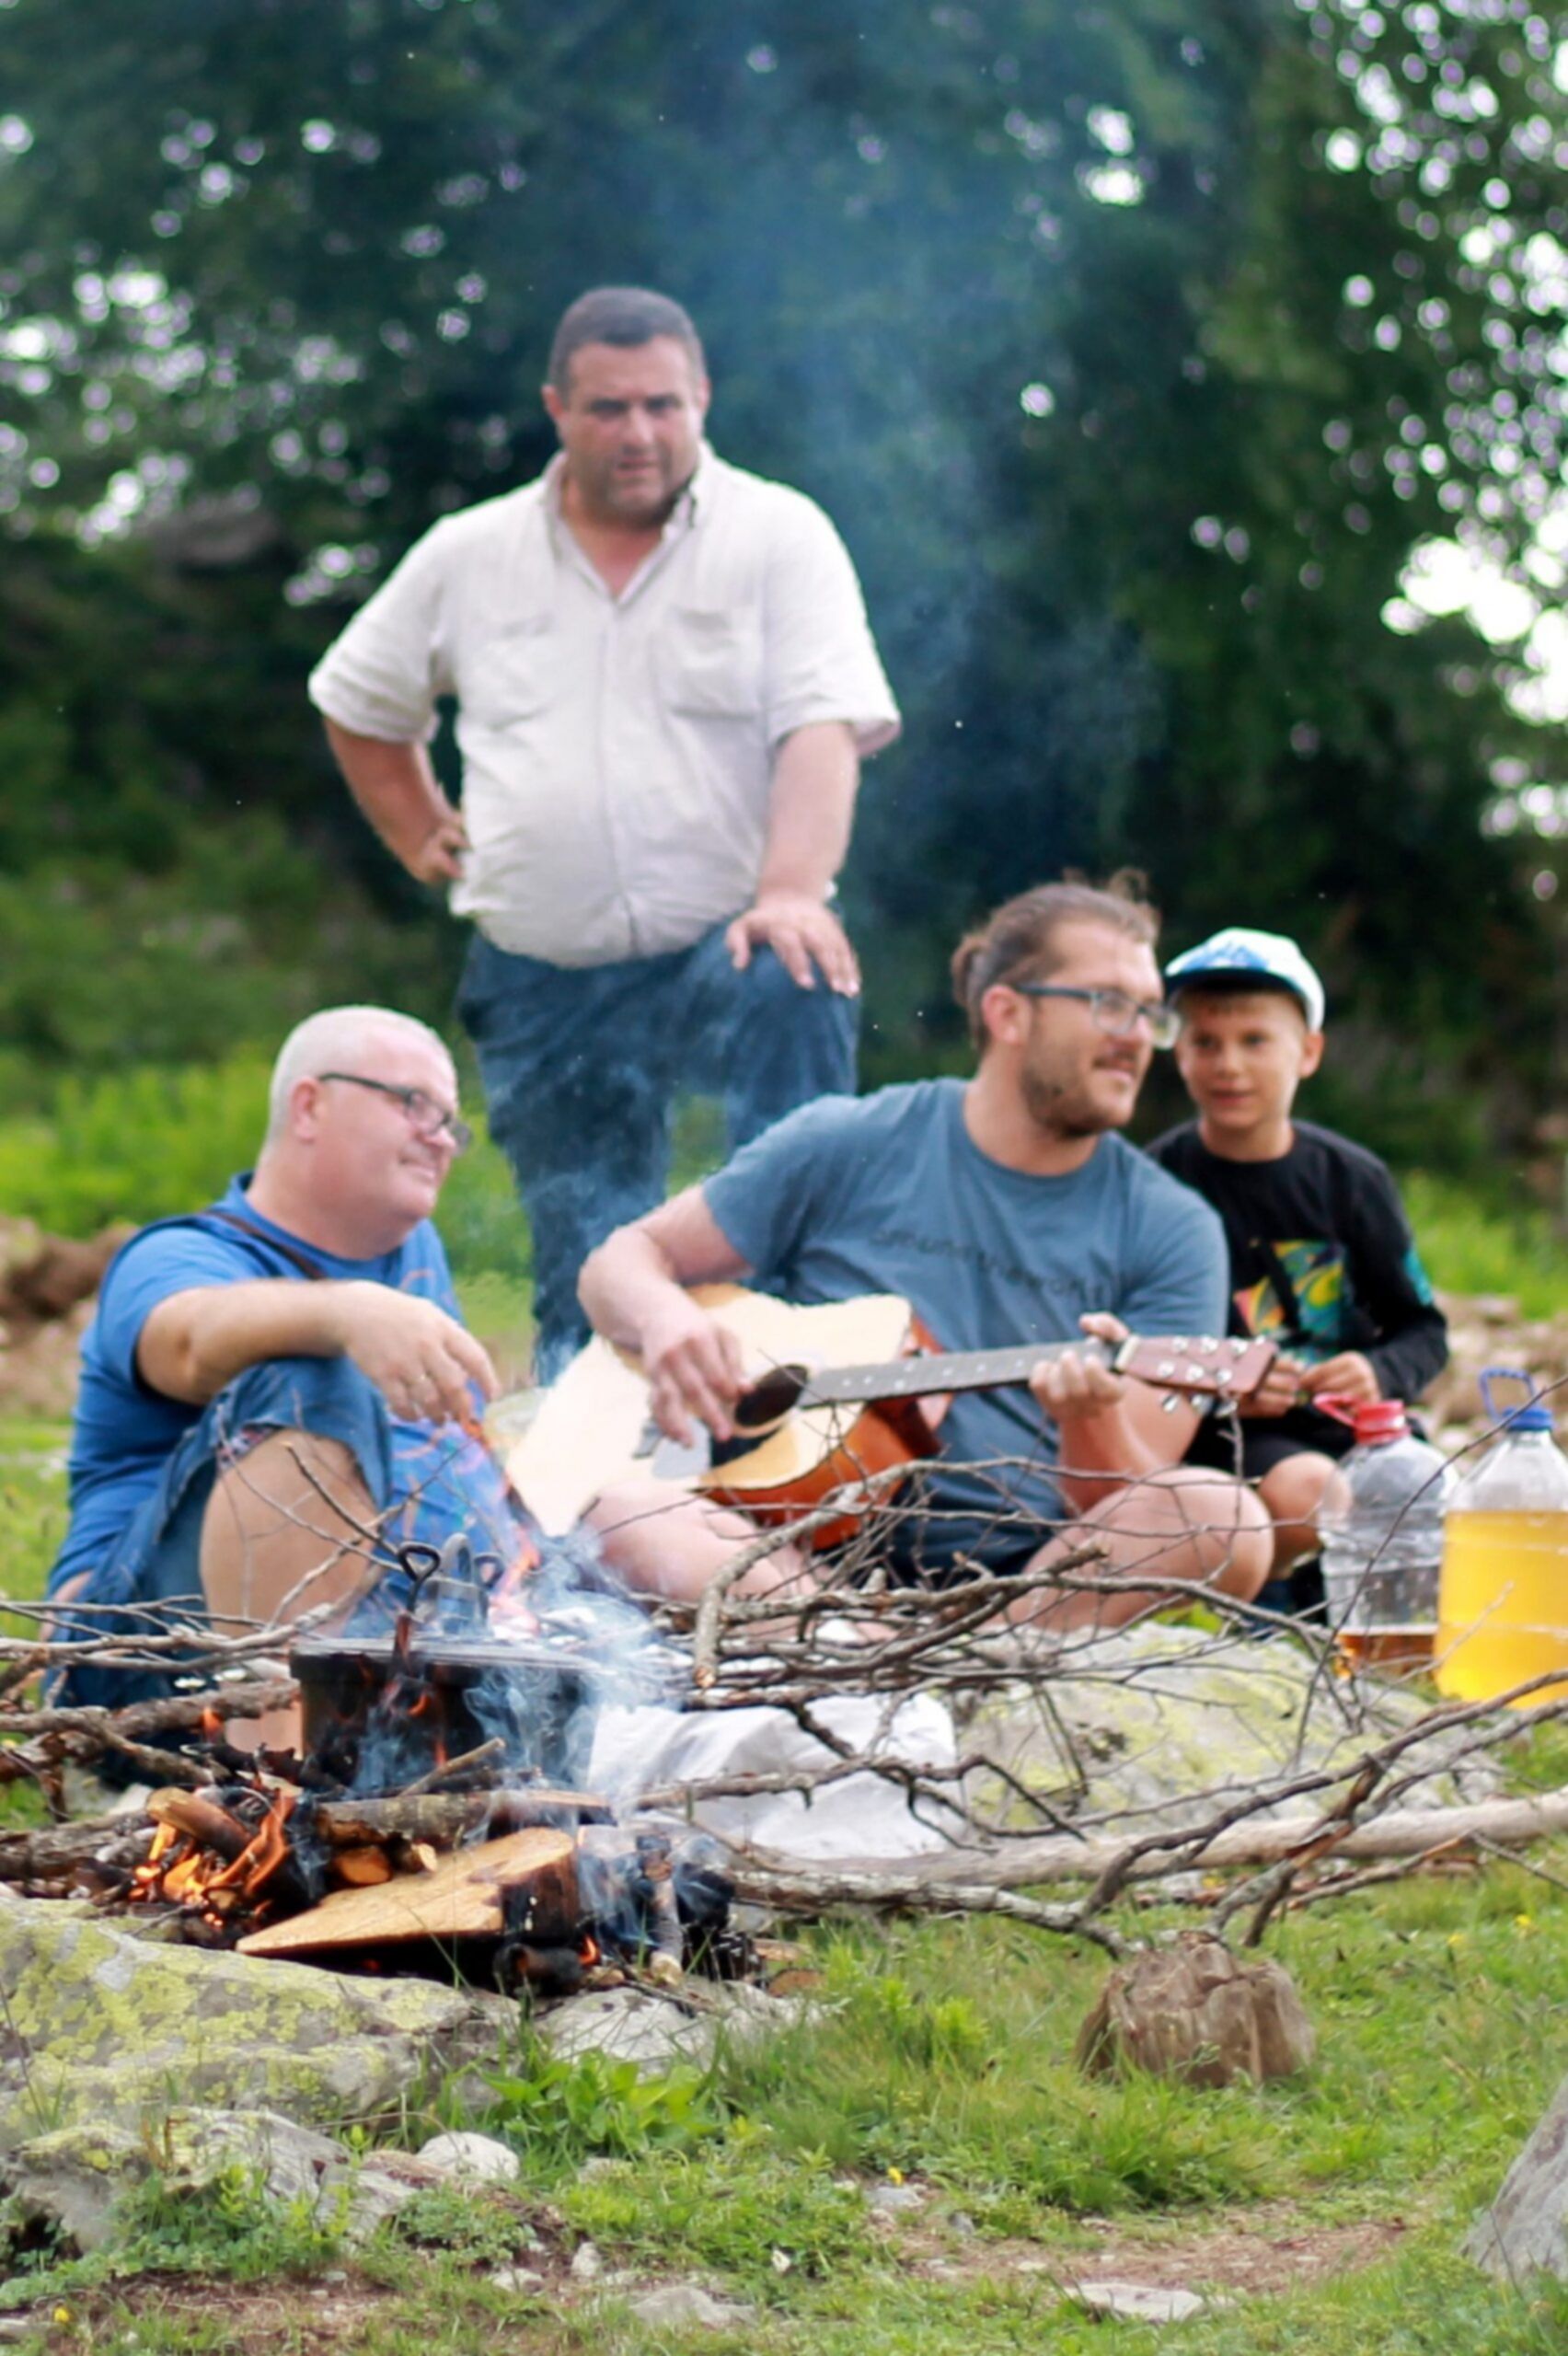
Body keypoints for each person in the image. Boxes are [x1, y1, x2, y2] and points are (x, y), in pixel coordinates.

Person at [308, 284, 901, 1380]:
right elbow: (358, 698)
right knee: (585, 1266)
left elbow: (822, 721)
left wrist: (791, 889)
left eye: (663, 407)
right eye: (609, 408)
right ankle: (604, 1510)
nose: (639, 433)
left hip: (725, 943)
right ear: (557, 408)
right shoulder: (468, 552)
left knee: (802, 969)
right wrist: (414, 828)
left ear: (703, 399)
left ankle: (802, 1331)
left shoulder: (780, 534)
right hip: (546, 965)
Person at [573, 878, 1273, 1628]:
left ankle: (955, 1661)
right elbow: (619, 1261)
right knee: (618, 1506)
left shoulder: (1173, 1226)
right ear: (1008, 1011)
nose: (1137, 1034)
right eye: (1107, 1002)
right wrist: (666, 1324)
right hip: (783, 1550)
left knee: (1223, 1515)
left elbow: (1129, 1500)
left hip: (1020, 1581)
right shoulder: (850, 1140)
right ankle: (848, 1642)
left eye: (1148, 1013)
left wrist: (1088, 1419)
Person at [45, 1007, 525, 1735]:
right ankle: (274, 1787)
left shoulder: (415, 1251)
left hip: (404, 1661)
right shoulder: (174, 1256)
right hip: (149, 1671)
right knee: (312, 1377)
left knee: (617, 1501)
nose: (441, 1138)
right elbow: (191, 1344)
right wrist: (344, 1315)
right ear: (310, 1105)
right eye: (414, 1104)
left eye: (450, 1122)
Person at [1146, 926, 1448, 1601]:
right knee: (1309, 1490)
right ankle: (1264, 1628)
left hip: (1357, 1428)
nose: (1229, 1065)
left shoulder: (1352, 1180)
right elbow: (1130, 1351)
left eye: (1255, 1041)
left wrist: (1377, 1371)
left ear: (1307, 1052)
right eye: (1205, 1042)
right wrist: (1222, 1392)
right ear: (1180, 1055)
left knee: (1445, 1490)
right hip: (1225, 1444)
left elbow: (1424, 1330)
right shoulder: (1155, 1184)